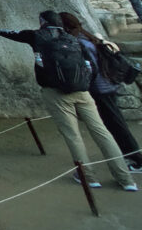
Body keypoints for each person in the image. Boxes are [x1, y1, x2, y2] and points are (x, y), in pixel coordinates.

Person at [0, 10, 138, 190]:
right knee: (102, 132)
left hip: (55, 92)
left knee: (73, 135)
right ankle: (126, 180)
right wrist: (84, 83)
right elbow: (90, 66)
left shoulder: (37, 36)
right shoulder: (73, 39)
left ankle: (88, 177)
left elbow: (14, 34)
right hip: (82, 91)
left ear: (42, 21)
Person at [59, 11, 142, 171]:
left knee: (116, 125)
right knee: (114, 123)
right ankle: (129, 155)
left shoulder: (80, 43)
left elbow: (91, 68)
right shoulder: (87, 37)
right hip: (107, 85)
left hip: (101, 89)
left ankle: (137, 159)